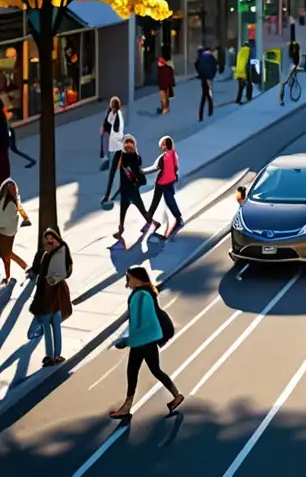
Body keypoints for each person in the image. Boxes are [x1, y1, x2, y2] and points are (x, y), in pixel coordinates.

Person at [109, 266, 183, 419]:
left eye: (129, 278)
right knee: (155, 370)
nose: (127, 282)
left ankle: (126, 407)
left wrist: (127, 341)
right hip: (147, 339)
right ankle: (176, 395)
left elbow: (141, 323)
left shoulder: (142, 296)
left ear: (137, 279)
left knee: (132, 371)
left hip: (143, 340)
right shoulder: (145, 293)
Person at [27, 227, 72, 367]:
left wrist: (51, 280)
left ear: (56, 240)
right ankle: (51, 355)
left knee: (54, 326)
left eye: (51, 242)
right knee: (48, 328)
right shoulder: (48, 255)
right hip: (47, 296)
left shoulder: (59, 254)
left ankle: (55, 355)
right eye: (46, 242)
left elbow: (63, 272)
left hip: (53, 296)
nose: (48, 245)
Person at [113, 135, 157, 240]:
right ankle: (121, 229)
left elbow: (135, 169)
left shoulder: (132, 157)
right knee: (123, 211)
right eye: (126, 143)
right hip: (125, 189)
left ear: (133, 145)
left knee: (141, 208)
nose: (127, 145)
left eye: (130, 143)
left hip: (132, 189)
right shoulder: (125, 156)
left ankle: (152, 222)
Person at [144, 136, 183, 239]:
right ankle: (177, 217)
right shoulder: (174, 154)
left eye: (162, 145)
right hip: (170, 181)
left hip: (162, 182)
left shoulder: (163, 157)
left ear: (165, 145)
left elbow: (155, 168)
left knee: (157, 200)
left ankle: (178, 218)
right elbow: (176, 167)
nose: (161, 147)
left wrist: (142, 172)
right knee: (169, 200)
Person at [0, 179, 30, 285]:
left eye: (13, 187)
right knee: (6, 254)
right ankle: (24, 268)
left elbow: (5, 219)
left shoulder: (12, 202)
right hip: (5, 231)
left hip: (7, 233)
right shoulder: (5, 199)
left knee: (6, 255)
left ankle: (23, 268)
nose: (12, 189)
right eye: (9, 187)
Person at [100, 96, 125, 203]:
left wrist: (106, 128)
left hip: (118, 148)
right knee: (116, 171)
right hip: (116, 148)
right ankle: (118, 190)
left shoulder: (118, 116)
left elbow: (114, 128)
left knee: (113, 172)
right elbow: (107, 123)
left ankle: (108, 195)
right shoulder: (113, 114)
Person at [195, 46, 217, 122]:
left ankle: (201, 115)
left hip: (203, 78)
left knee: (204, 95)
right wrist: (212, 75)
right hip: (209, 78)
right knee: (209, 95)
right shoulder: (211, 57)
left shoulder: (201, 57)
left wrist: (200, 74)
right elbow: (214, 67)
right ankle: (210, 112)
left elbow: (197, 65)